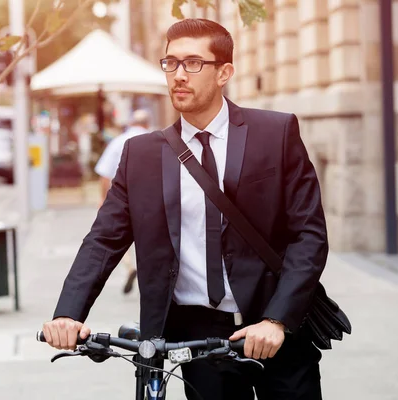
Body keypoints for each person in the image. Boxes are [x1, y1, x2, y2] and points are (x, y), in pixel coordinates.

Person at [42, 18, 328, 400]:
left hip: (276, 326)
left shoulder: (274, 133)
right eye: (170, 63)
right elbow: (103, 241)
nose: (179, 74)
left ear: (224, 72)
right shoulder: (140, 154)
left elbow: (309, 235)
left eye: (193, 63)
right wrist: (68, 313)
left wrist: (277, 320)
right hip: (197, 338)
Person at [94, 109, 151, 294]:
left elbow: (105, 173)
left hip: (123, 197)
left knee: (120, 234)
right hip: (151, 197)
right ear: (147, 123)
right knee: (149, 237)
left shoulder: (119, 141)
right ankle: (148, 272)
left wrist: (104, 199)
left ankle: (129, 266)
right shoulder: (156, 139)